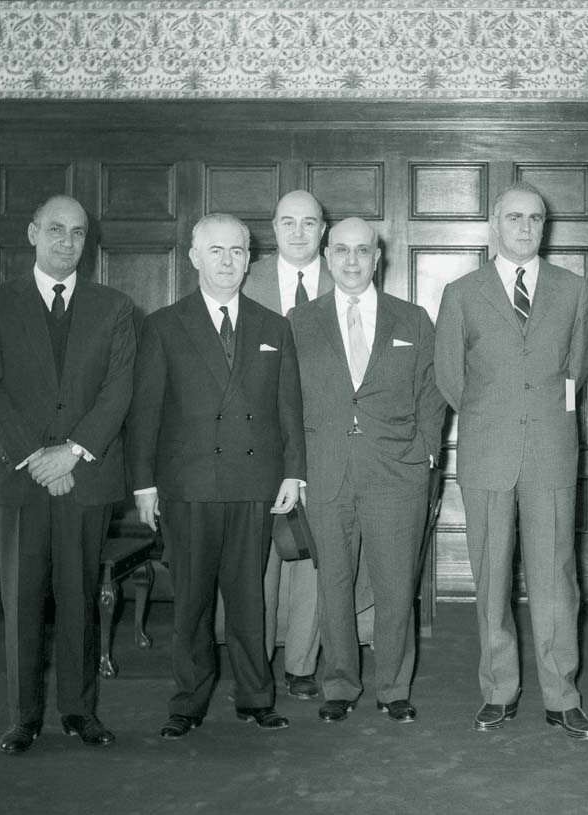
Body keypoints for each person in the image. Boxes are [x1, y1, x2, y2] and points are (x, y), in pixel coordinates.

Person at [126, 213, 306, 739]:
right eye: (218, 251)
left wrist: (294, 472)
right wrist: (144, 484)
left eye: (238, 251)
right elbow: (146, 413)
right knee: (193, 601)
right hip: (189, 485)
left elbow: (289, 408)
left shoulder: (275, 326)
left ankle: (256, 697)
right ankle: (188, 701)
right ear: (194, 257)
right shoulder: (163, 324)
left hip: (255, 483)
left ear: (250, 259)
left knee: (251, 598)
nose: (228, 261)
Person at [0, 194, 135, 754]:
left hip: (86, 476)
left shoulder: (114, 307)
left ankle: (80, 711)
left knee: (80, 597)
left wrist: (74, 452)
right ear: (33, 233)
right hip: (17, 479)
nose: (68, 241)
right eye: (57, 230)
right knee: (21, 600)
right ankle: (23, 717)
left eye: (79, 233)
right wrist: (38, 461)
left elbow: (119, 391)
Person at [434, 182, 588, 740]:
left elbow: (579, 370)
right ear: (493, 225)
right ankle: (498, 691)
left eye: (535, 218)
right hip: (487, 451)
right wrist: (496, 415)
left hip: (551, 451)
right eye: (514, 217)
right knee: (492, 578)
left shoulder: (573, 290)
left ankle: (562, 695)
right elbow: (450, 379)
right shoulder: (461, 292)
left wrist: (540, 416)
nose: (525, 228)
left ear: (544, 226)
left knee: (557, 580)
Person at [290, 217, 446, 724]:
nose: (352, 261)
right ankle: (339, 684)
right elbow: (286, 400)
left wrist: (425, 450)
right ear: (327, 256)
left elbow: (433, 389)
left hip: (397, 474)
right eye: (341, 251)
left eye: (362, 251)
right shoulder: (299, 320)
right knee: (333, 583)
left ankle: (394, 687)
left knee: (397, 585)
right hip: (326, 471)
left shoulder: (413, 319)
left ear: (378, 257)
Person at [236, 189, 332, 700]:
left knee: (314, 552)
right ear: (272, 228)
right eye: (288, 222)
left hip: (322, 440)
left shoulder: (347, 280)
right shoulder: (242, 281)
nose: (299, 232)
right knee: (257, 557)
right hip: (255, 442)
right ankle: (256, 658)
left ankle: (301, 664)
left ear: (323, 229)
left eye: (309, 223)